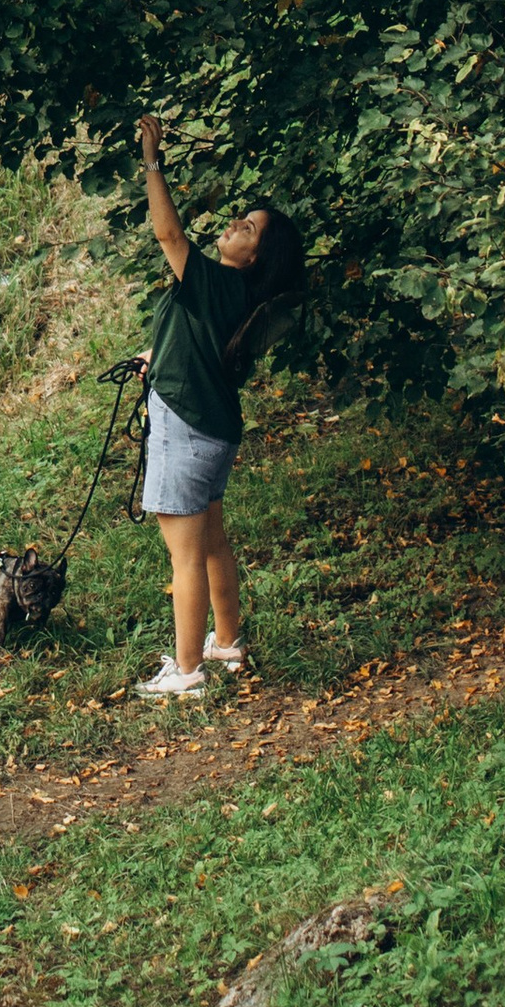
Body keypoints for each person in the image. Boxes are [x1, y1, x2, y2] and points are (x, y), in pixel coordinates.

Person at [134, 114, 306, 701]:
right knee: (211, 544)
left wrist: (152, 162)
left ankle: (186, 673)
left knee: (184, 558)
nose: (234, 225)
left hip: (186, 427)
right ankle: (226, 641)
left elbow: (168, 235)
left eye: (247, 229)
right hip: (214, 429)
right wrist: (154, 357)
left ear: (254, 256)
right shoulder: (242, 298)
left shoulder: (217, 281)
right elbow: (195, 341)